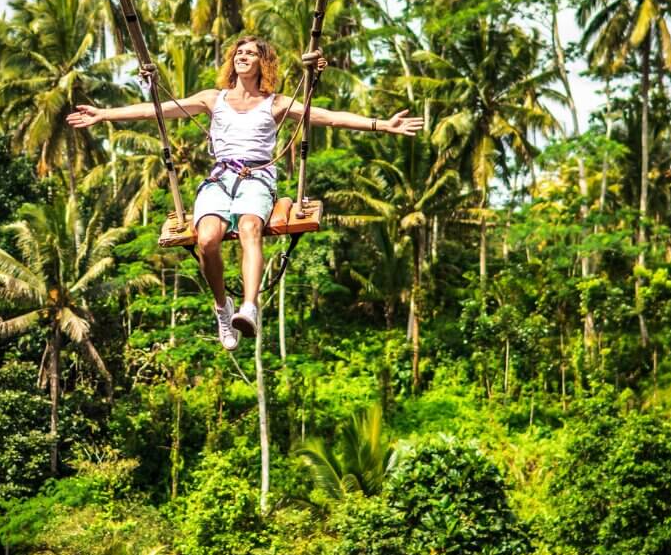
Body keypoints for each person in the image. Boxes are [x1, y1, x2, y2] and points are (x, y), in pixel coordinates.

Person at [67, 35, 422, 351]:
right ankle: (223, 308)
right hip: (220, 178)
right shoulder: (212, 99)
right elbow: (154, 110)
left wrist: (380, 124)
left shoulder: (277, 102)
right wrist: (103, 115)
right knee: (207, 238)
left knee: (251, 227)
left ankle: (249, 307)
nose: (243, 56)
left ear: (261, 63)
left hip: (257, 177)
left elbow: (327, 117)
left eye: (251, 53)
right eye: (239, 52)